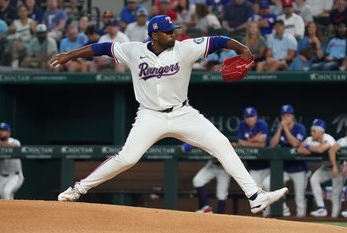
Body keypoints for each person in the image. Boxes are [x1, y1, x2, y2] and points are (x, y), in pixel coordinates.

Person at [51, 15, 288, 214]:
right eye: (167, 32)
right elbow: (102, 48)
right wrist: (70, 55)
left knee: (222, 144)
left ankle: (255, 197)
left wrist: (243, 49)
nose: (173, 34)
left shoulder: (184, 48)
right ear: (155, 35)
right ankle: (78, 189)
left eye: (173, 31)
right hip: (149, 116)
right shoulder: (133, 51)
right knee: (127, 158)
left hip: (183, 113)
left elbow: (218, 41)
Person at [263, 104, 308, 217]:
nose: (285, 118)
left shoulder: (300, 127)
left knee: (299, 197)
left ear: (292, 116)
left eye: (288, 115)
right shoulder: (280, 129)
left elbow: (296, 144)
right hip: (284, 168)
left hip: (299, 168)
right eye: (283, 115)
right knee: (267, 183)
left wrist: (286, 129)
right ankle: (284, 210)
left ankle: (302, 220)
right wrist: (280, 129)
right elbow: (273, 145)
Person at [297, 119, 339, 217]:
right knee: (314, 179)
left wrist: (309, 147)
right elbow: (300, 149)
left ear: (321, 131)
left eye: (314, 131)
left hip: (337, 167)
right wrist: (311, 147)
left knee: (335, 195)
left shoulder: (329, 138)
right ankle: (321, 208)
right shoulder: (310, 139)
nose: (312, 133)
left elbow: (321, 150)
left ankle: (335, 220)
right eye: (311, 130)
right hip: (325, 167)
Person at [182, 143, 230, 214]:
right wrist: (191, 145)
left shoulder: (221, 141)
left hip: (224, 167)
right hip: (212, 165)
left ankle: (220, 217)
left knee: (221, 194)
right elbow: (184, 148)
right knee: (197, 181)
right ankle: (206, 208)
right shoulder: (206, 139)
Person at [233, 107, 270, 189]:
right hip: (253, 167)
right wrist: (255, 139)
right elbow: (240, 142)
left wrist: (246, 142)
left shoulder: (262, 124)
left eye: (252, 116)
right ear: (245, 118)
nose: (250, 119)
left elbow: (262, 145)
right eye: (247, 117)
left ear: (256, 117)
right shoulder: (242, 125)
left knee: (268, 190)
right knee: (256, 192)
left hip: (267, 166)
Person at [0, 122, 24, 200]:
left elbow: (14, 148)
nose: (1, 132)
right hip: (1, 176)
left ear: (9, 132)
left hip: (15, 175)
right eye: (0, 130)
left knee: (6, 192)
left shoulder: (15, 142)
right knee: (5, 198)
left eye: (4, 130)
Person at [327, 129, 347, 218]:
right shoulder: (343, 141)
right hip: (341, 167)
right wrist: (334, 166)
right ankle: (334, 217)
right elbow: (331, 150)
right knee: (335, 194)